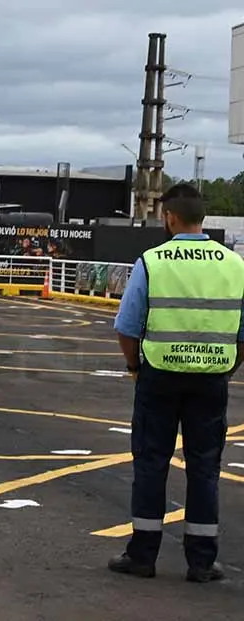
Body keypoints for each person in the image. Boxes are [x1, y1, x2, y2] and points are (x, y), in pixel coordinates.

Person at [109, 182, 244, 582]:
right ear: (202, 218)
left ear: (169, 217)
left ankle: (143, 556)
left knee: (151, 464)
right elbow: (242, 334)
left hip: (159, 378)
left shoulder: (152, 262)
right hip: (211, 380)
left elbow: (127, 327)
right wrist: (224, 367)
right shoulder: (234, 265)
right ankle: (202, 563)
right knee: (204, 468)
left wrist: (136, 368)